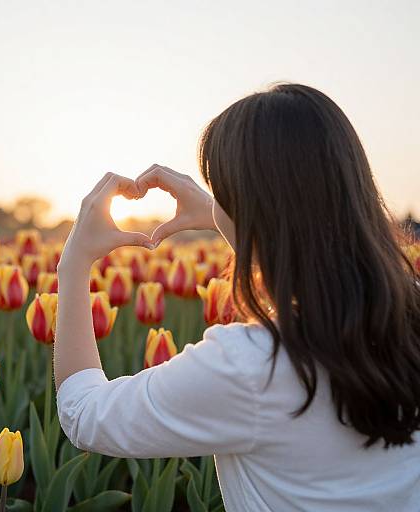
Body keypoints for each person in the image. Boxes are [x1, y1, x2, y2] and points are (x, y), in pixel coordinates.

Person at [54, 83, 420, 511]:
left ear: (251, 205)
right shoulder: (406, 307)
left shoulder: (251, 366)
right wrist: (224, 215)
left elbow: (84, 413)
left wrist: (74, 264)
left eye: (224, 191)